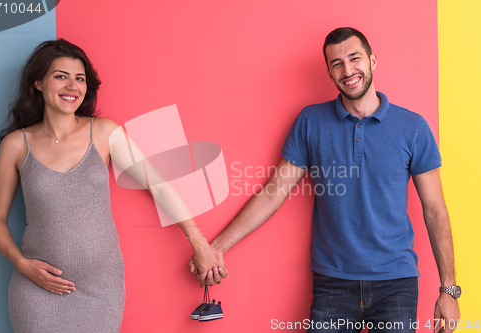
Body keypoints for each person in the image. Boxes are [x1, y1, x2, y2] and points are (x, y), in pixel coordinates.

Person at [189, 27, 460, 332]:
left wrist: (448, 289)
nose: (348, 70)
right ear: (330, 74)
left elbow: (435, 210)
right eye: (336, 64)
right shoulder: (310, 121)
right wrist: (218, 248)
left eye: (355, 58)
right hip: (333, 283)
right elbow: (273, 193)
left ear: (372, 60)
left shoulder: (412, 127)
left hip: (396, 283)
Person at [0, 39, 226, 333]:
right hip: (37, 289)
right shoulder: (15, 144)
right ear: (37, 83)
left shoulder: (104, 132)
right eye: (61, 76)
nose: (72, 86)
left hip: (101, 288)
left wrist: (199, 243)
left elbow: (159, 186)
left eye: (80, 79)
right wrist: (22, 265)